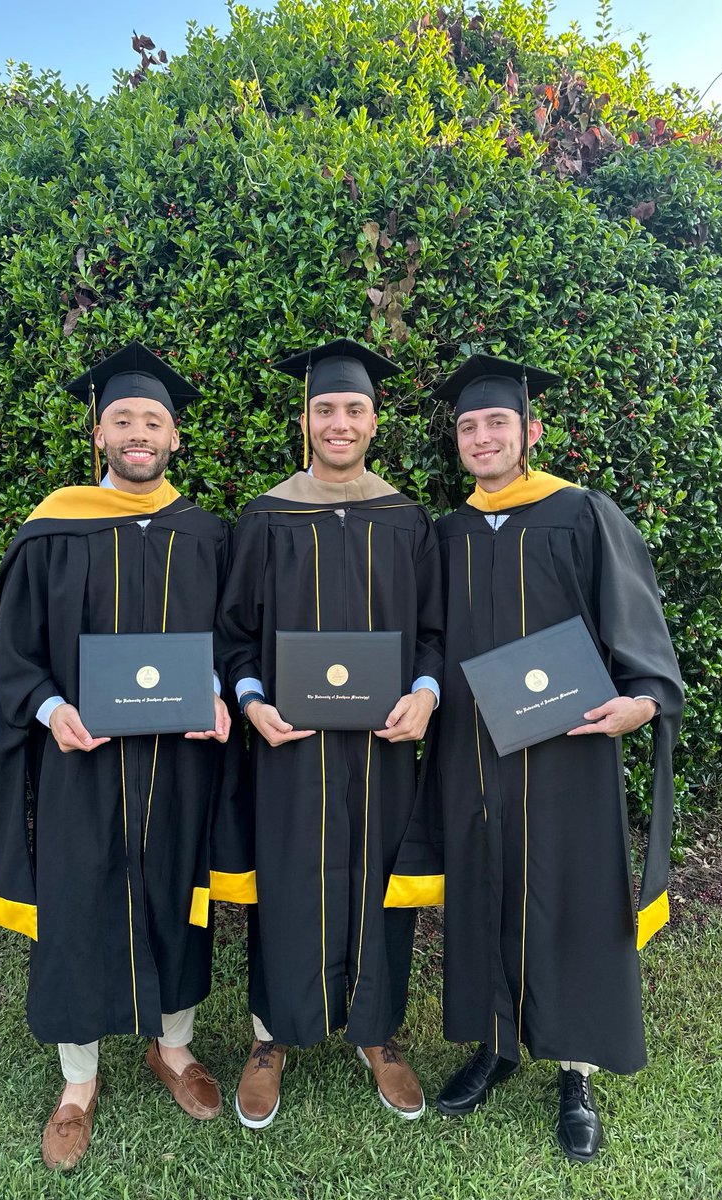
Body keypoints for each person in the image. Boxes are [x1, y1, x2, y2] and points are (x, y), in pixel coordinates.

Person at [0, 342, 249, 1170]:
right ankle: (77, 1083)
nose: (139, 433)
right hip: (83, 762)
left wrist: (214, 689)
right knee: (76, 908)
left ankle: (172, 1048)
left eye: (155, 421)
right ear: (98, 433)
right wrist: (52, 709)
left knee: (178, 892)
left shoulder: (205, 533)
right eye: (124, 420)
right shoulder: (52, 531)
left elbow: (227, 638)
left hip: (179, 762)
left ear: (175, 440)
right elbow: (14, 655)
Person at [427, 353, 683, 1161]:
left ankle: (575, 1071)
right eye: (469, 426)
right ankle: (497, 1044)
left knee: (571, 899)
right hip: (473, 747)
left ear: (530, 431)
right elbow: (430, 637)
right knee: (484, 891)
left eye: (497, 422)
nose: (483, 437)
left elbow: (635, 626)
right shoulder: (446, 534)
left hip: (569, 751)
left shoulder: (582, 513)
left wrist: (640, 701)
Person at [217, 339, 444, 1128]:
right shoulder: (266, 516)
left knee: (380, 877)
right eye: (325, 410)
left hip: (382, 746)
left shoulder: (406, 519)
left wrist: (425, 691)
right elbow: (234, 634)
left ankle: (377, 1033)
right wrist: (249, 700)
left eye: (353, 410)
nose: (338, 423)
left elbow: (433, 631)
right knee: (285, 877)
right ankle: (271, 1037)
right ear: (305, 418)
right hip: (289, 744)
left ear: (374, 421)